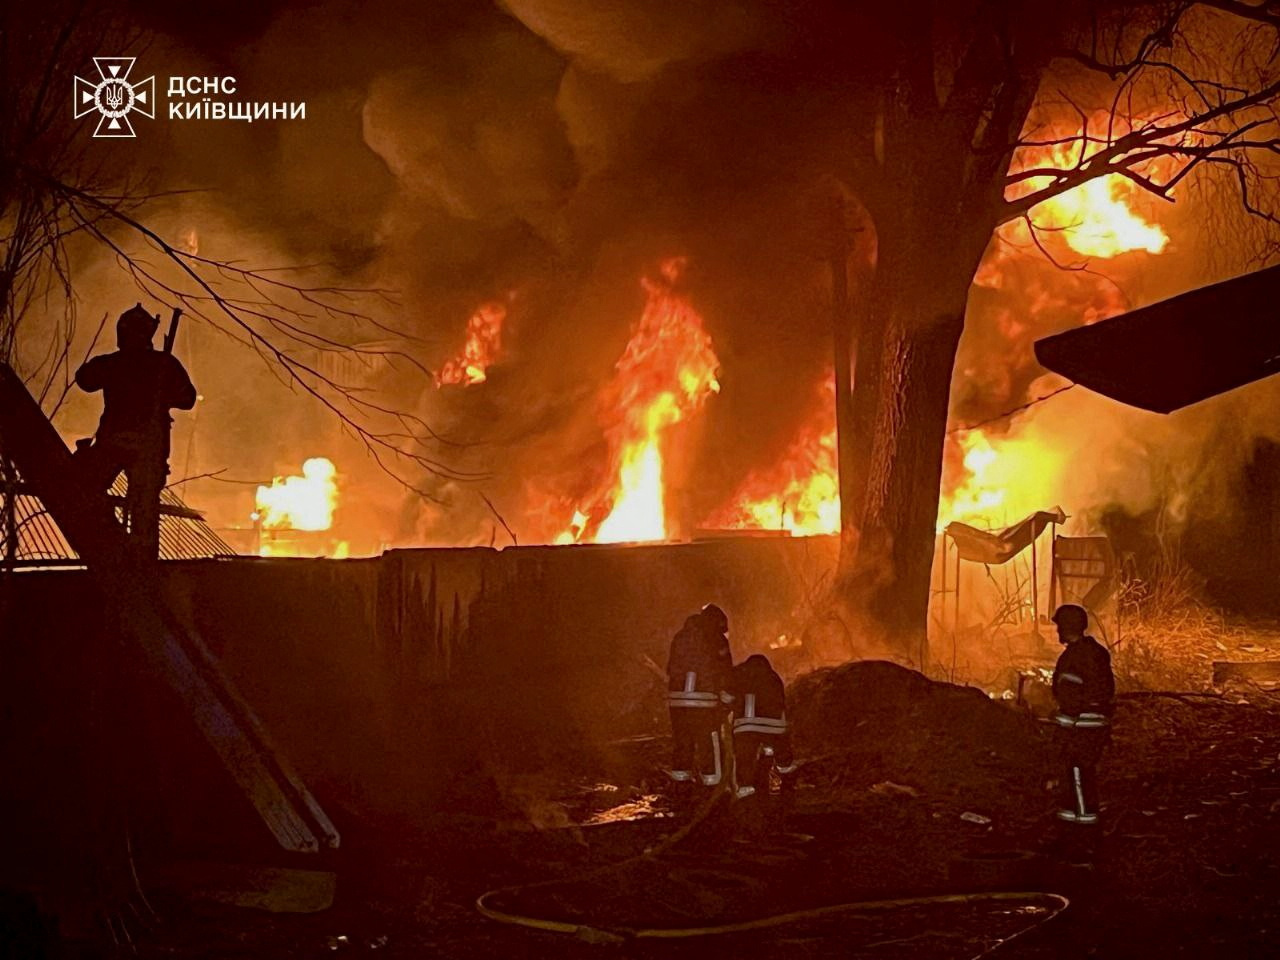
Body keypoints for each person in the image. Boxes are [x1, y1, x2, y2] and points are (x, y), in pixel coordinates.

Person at [75, 304, 196, 560]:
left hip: (129, 444)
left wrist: (161, 394)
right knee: (140, 506)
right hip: (137, 445)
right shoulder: (158, 363)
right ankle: (125, 546)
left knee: (102, 493)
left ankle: (130, 553)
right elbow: (85, 379)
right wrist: (162, 391)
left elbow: (84, 378)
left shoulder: (125, 364)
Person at [1050, 604, 1115, 825]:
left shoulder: (1073, 658)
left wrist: (1059, 724)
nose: (1057, 631)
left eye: (1059, 626)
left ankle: (1083, 825)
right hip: (1095, 727)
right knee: (1083, 774)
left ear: (1066, 627)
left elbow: (1069, 699)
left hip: (1080, 729)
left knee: (1077, 775)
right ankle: (1077, 821)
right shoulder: (1096, 652)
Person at [666, 603, 733, 787]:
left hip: (677, 701)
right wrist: (728, 700)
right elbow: (725, 672)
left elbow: (670, 668)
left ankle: (681, 785)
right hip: (704, 701)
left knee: (682, 742)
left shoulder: (680, 636)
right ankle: (714, 786)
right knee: (709, 743)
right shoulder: (717, 639)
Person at [729, 653, 795, 800]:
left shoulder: (741, 675)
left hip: (746, 726)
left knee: (745, 757)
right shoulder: (774, 677)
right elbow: (782, 702)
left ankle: (745, 789)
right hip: (775, 727)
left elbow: (729, 696)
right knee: (781, 755)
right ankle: (786, 780)